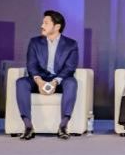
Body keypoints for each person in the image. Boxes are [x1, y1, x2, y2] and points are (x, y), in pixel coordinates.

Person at [14, 10, 79, 140]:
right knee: (21, 82)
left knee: (72, 82)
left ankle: (63, 126)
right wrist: (39, 82)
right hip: (39, 79)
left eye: (46, 23)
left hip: (60, 80)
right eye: (42, 23)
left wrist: (54, 82)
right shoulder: (35, 42)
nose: (42, 25)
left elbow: (70, 68)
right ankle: (28, 126)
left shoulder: (71, 44)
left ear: (57, 26)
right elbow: (31, 65)